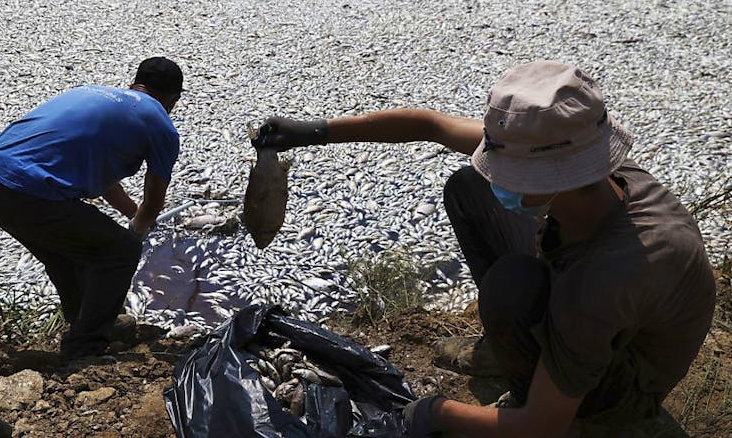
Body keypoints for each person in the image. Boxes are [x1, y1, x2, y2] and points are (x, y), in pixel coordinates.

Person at [251, 61, 715, 436]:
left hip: (624, 387)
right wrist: (312, 131)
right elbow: (430, 125)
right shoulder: (587, 172)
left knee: (511, 287)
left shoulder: (602, 283)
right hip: (601, 309)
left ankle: (559, 399)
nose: (500, 178)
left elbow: (540, 428)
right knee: (470, 186)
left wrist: (433, 412)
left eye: (511, 175)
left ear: (550, 180)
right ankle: (515, 350)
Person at [0, 57, 183, 359]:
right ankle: (86, 349)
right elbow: (154, 202)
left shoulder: (91, 93)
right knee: (120, 251)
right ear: (174, 99)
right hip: (29, 193)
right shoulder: (161, 124)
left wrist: (130, 213)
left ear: (134, 84)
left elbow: (107, 184)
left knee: (66, 256)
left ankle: (83, 325)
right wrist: (136, 231)